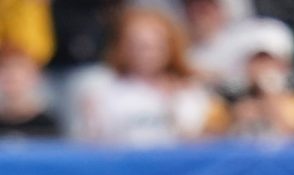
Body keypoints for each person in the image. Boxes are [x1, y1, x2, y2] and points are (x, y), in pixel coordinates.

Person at [68, 7, 229, 146]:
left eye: (156, 45)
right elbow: (93, 145)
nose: (148, 54)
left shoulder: (191, 92)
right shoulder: (102, 93)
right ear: (122, 47)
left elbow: (207, 142)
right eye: (139, 46)